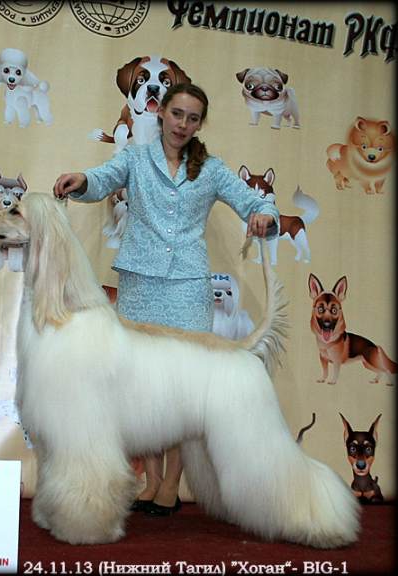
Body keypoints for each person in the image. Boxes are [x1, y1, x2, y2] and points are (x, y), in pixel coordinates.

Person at [53, 83, 279, 516]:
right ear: (161, 113)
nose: (183, 124)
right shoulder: (135, 158)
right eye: (177, 114)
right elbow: (101, 179)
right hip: (139, 285)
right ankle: (151, 480)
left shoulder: (211, 169)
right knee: (141, 389)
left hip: (188, 288)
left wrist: (264, 214)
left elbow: (253, 201)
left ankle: (172, 484)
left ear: (200, 124)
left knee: (184, 391)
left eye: (193, 118)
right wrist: (81, 181)